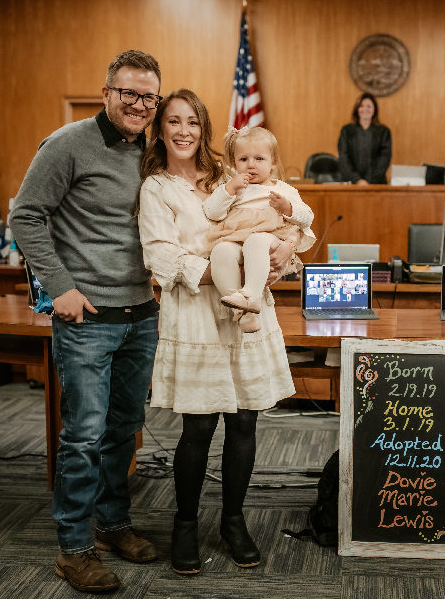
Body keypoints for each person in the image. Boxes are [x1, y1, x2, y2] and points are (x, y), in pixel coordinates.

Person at [10, 50, 162, 593]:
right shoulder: (68, 143)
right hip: (87, 318)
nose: (140, 105)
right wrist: (60, 288)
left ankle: (112, 523)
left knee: (124, 431)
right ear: (107, 93)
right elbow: (25, 215)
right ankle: (74, 549)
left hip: (142, 314)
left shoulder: (153, 150)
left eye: (149, 96)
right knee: (83, 437)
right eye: (129, 93)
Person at [138, 89, 296, 575]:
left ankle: (233, 520)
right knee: (200, 425)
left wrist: (285, 252)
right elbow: (159, 255)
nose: (184, 131)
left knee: (245, 422)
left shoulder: (230, 175)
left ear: (204, 129)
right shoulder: (156, 187)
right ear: (161, 129)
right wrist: (222, 270)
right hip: (197, 314)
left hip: (249, 309)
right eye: (174, 122)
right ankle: (185, 524)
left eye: (193, 122)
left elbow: (277, 219)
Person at [204, 126, 315, 333]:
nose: (251, 165)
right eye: (243, 159)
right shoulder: (233, 187)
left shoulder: (282, 189)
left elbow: (308, 217)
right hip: (237, 240)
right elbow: (212, 212)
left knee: (256, 241)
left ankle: (250, 296)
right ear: (233, 163)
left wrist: (287, 208)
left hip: (270, 239)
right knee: (221, 251)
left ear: (273, 162)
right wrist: (229, 189)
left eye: (259, 159)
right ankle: (241, 311)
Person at [337, 92, 392, 185]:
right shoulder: (346, 131)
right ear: (357, 109)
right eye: (361, 106)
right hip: (351, 184)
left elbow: (384, 159)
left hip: (376, 184)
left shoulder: (384, 132)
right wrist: (357, 180)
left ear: (375, 109)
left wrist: (367, 181)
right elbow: (343, 157)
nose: (365, 109)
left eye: (369, 106)